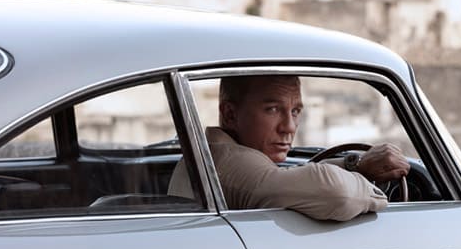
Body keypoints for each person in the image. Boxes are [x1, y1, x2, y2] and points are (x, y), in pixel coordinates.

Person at [169, 75, 410, 221]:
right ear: (230, 114)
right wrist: (374, 191)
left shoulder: (215, 154)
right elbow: (336, 191)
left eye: (295, 111)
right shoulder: (232, 163)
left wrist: (357, 165)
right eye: (272, 109)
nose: (289, 127)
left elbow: (286, 178)